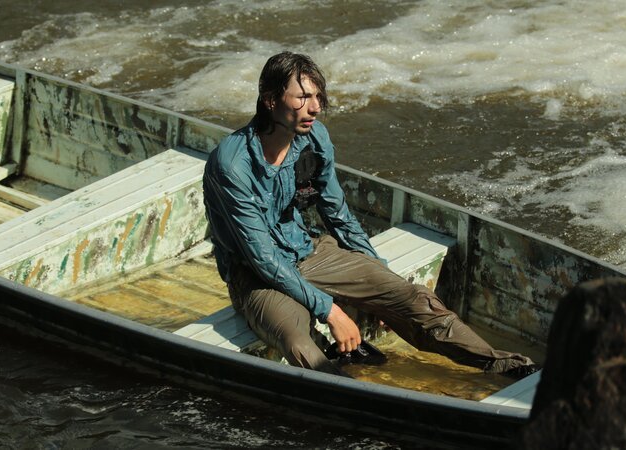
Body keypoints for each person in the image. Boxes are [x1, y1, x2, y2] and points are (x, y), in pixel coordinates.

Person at [202, 51, 538, 378]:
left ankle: (505, 366)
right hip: (256, 277)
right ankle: (351, 396)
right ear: (270, 99)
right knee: (298, 341)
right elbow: (262, 258)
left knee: (410, 297)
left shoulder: (314, 139)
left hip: (308, 252)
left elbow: (338, 214)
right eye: (303, 97)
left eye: (318, 96)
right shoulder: (232, 165)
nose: (316, 108)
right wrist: (330, 310)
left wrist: (379, 287)